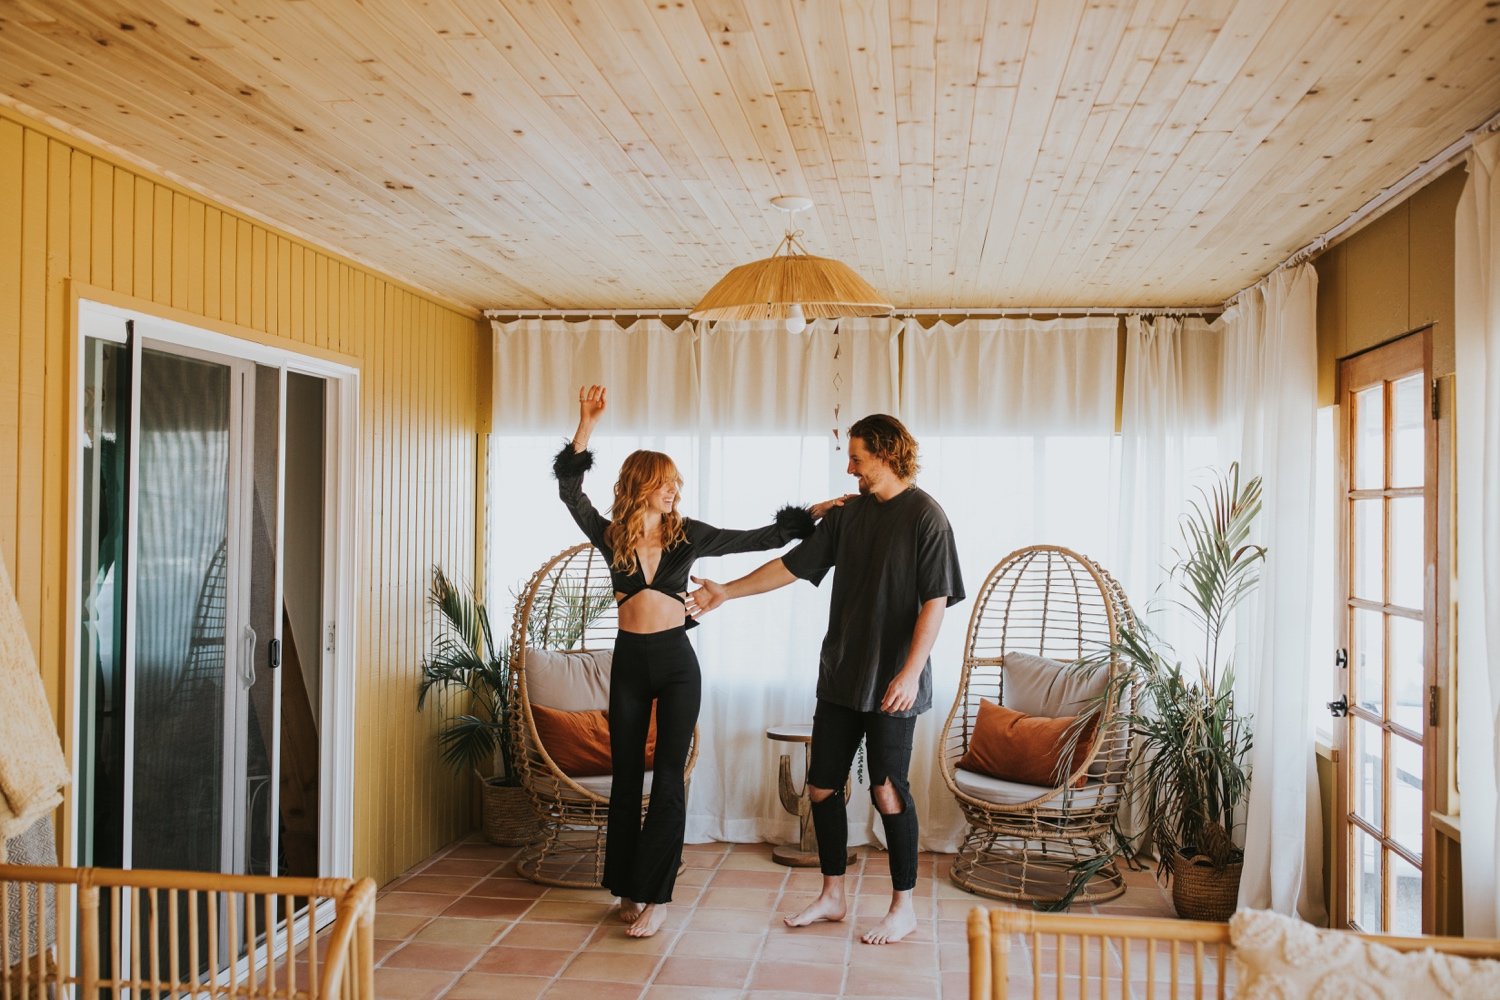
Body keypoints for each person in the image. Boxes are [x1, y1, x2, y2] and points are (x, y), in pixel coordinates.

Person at [553, 384, 823, 938]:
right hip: (629, 663)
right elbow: (569, 489)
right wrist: (587, 425)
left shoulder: (689, 535)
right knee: (628, 779)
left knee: (669, 780)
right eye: (664, 483)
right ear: (640, 487)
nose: (675, 490)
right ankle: (628, 886)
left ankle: (658, 897)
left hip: (677, 664)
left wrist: (810, 514)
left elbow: (761, 537)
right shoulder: (611, 536)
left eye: (677, 482)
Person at [686, 413, 964, 945]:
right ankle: (832, 896)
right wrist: (727, 592)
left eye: (857, 456)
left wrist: (909, 672)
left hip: (893, 684)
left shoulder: (927, 517)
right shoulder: (849, 514)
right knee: (820, 787)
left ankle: (902, 906)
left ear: (886, 454)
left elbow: (936, 601)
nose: (850, 466)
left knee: (887, 789)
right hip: (840, 676)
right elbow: (790, 567)